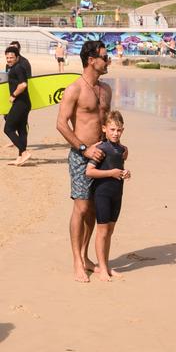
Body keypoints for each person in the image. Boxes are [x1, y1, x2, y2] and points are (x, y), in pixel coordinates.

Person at [56, 40, 113, 282]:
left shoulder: (106, 89)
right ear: (91, 60)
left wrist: (117, 147)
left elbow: (109, 122)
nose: (107, 60)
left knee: (94, 211)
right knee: (81, 208)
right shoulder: (74, 89)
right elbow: (61, 124)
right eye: (104, 56)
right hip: (81, 157)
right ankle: (77, 262)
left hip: (104, 155)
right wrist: (83, 148)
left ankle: (86, 256)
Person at [86, 110, 131, 282]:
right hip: (102, 193)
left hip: (117, 194)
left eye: (118, 130)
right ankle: (102, 268)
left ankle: (107, 265)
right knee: (102, 231)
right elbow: (89, 171)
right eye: (112, 129)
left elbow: (118, 167)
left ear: (123, 130)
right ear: (104, 129)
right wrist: (110, 173)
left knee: (110, 231)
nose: (115, 133)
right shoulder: (101, 148)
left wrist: (125, 173)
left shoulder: (122, 150)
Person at [4, 46, 32, 166]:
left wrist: (13, 95)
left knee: (8, 129)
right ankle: (21, 157)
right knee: (21, 130)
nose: (9, 59)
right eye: (7, 57)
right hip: (24, 103)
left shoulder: (18, 68)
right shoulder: (14, 68)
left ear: (17, 57)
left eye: (11, 57)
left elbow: (23, 85)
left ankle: (24, 152)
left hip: (20, 103)